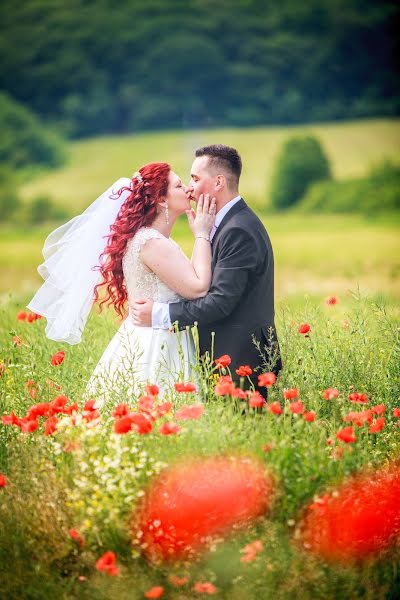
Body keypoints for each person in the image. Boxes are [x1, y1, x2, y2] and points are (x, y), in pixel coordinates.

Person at [27, 162, 216, 405]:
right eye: (179, 185)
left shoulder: (153, 239)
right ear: (161, 199)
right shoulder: (151, 242)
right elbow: (198, 287)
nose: (188, 190)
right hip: (156, 346)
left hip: (155, 336)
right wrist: (202, 233)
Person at [132, 145, 281, 396]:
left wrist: (159, 314)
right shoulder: (226, 223)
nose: (190, 188)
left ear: (219, 182)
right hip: (226, 358)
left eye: (195, 178)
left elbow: (219, 302)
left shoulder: (238, 230)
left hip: (240, 358)